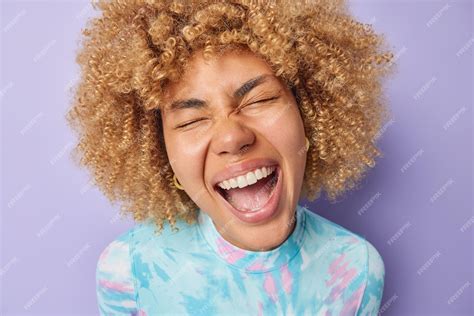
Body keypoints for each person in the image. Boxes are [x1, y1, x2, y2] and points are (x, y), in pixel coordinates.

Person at [66, 0, 395, 314]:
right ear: (160, 153)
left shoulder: (357, 270)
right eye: (192, 120)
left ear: (308, 116)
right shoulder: (128, 272)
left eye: (258, 100)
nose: (232, 137)